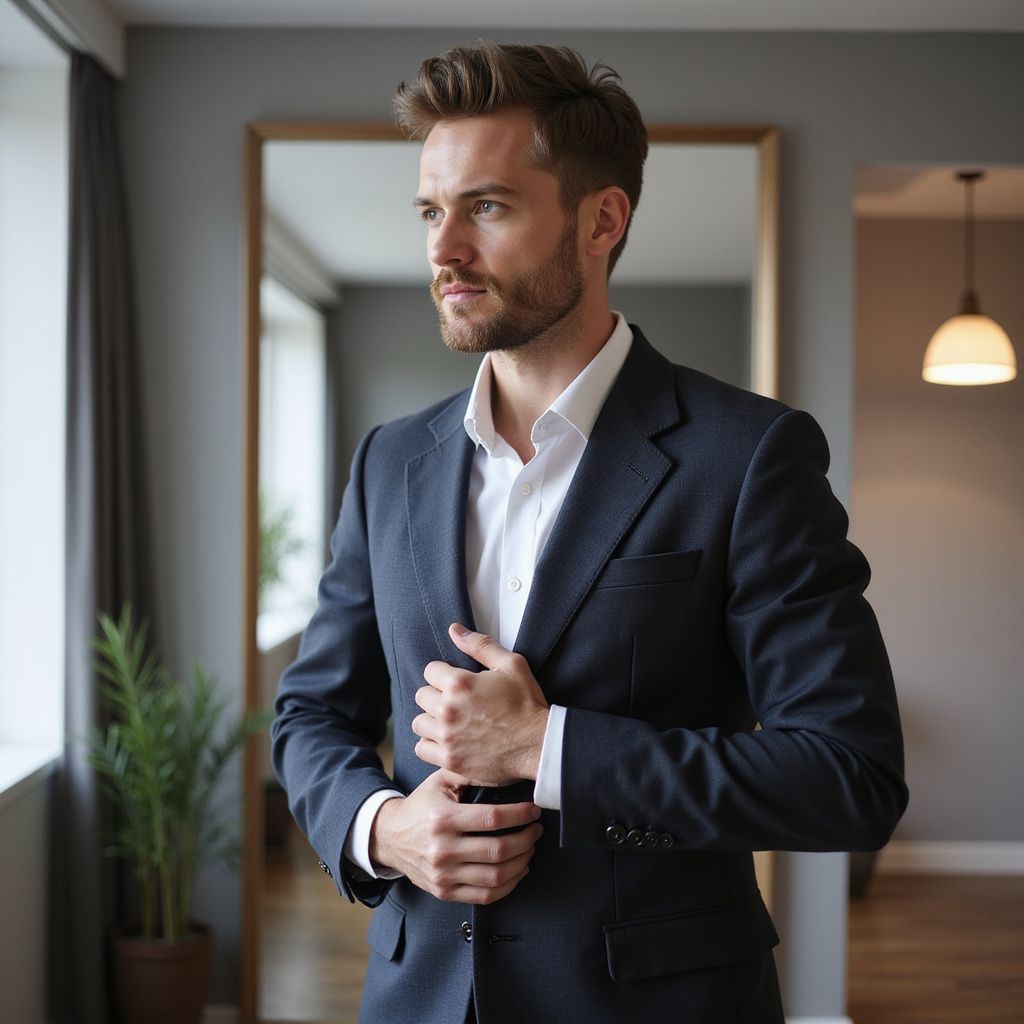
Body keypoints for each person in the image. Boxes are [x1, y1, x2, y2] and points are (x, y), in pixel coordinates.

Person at [271, 42, 907, 1024]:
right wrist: (381, 824)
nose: (443, 251)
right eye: (431, 212)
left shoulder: (748, 455)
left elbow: (847, 777)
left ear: (600, 219)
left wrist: (546, 744)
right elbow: (309, 717)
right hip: (415, 995)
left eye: (485, 207)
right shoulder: (387, 462)